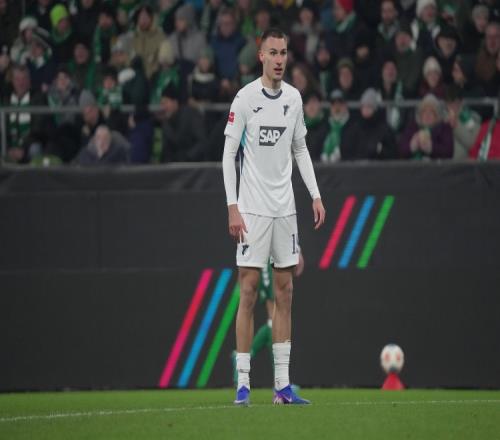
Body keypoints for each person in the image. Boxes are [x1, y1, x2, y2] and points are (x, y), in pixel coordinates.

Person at [222, 28, 325, 406]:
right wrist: (232, 206)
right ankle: (243, 384)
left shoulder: (294, 99)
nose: (280, 59)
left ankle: (282, 387)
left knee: (285, 292)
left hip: (285, 211)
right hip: (252, 209)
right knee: (248, 291)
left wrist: (315, 194)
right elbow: (228, 155)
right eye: (273, 52)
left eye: (284, 53)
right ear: (261, 56)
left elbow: (300, 149)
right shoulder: (245, 98)